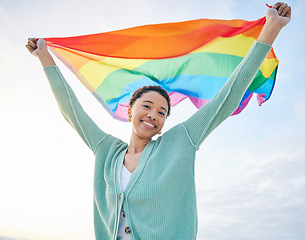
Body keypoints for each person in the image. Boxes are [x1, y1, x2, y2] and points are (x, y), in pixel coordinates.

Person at [26, 2, 291, 240]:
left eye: (162, 112)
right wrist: (45, 58)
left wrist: (271, 28)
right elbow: (73, 112)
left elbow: (228, 97)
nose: (154, 114)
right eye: (147, 106)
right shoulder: (106, 151)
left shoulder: (181, 141)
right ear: (130, 112)